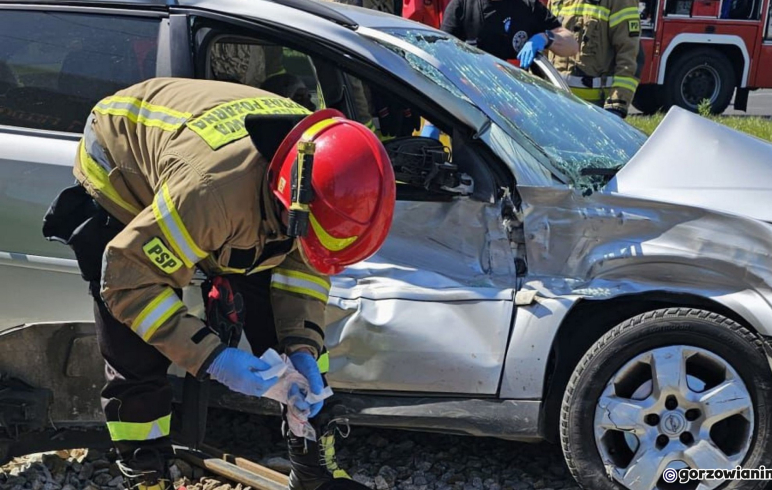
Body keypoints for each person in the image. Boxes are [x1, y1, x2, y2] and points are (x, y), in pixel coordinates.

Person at [42, 78, 395, 490]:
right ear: (291, 204)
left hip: (227, 190)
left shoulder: (319, 172)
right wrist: (213, 358)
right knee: (136, 348)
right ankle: (146, 472)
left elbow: (303, 269)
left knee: (295, 341)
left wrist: (300, 346)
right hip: (124, 169)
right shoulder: (211, 194)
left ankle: (313, 466)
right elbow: (127, 280)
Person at [547, 0, 642, 118]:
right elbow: (547, 45)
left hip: (594, 108)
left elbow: (628, 57)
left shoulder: (620, 2)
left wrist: (616, 105)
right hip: (555, 101)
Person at [440, 0, 578, 69]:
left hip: (515, 106)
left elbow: (572, 46)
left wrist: (546, 38)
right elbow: (441, 56)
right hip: (471, 101)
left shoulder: (528, 6)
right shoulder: (463, 5)